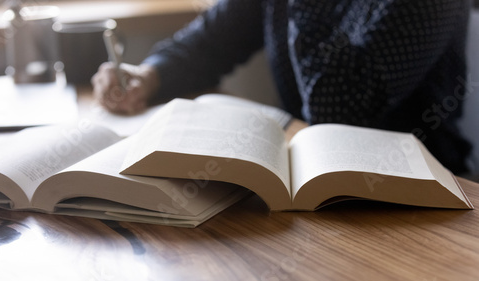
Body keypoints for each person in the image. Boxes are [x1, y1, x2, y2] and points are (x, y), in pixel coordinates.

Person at [92, 0, 472, 174]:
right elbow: (208, 43)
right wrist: (149, 75)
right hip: (311, 171)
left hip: (416, 187)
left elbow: (336, 109)